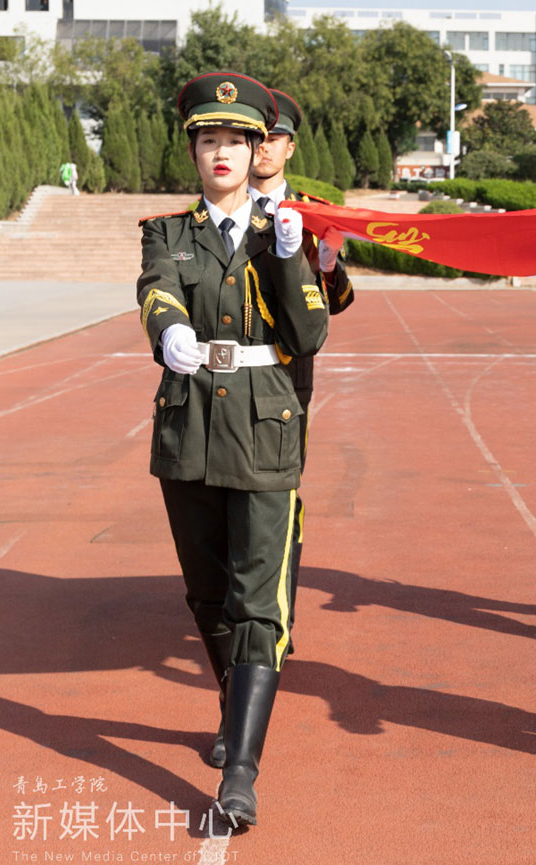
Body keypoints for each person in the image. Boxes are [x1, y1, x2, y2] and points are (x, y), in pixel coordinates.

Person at [136, 71, 329, 828]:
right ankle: (232, 706)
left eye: (237, 141)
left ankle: (242, 768)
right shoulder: (168, 231)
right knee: (208, 593)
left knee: (258, 600)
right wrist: (168, 330)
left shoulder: (282, 231)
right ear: (192, 149)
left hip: (263, 425)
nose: (222, 152)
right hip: (188, 424)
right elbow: (157, 289)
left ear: (260, 151)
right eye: (208, 139)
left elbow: (309, 334)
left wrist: (287, 256)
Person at [248, 86, 355, 664]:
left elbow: (339, 300)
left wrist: (330, 265)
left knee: (280, 491)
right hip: (226, 373)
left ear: (289, 148)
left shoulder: (314, 212)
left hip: (289, 373)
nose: (262, 149)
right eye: (253, 138)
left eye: (273, 139)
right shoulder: (220, 209)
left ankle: (275, 616)